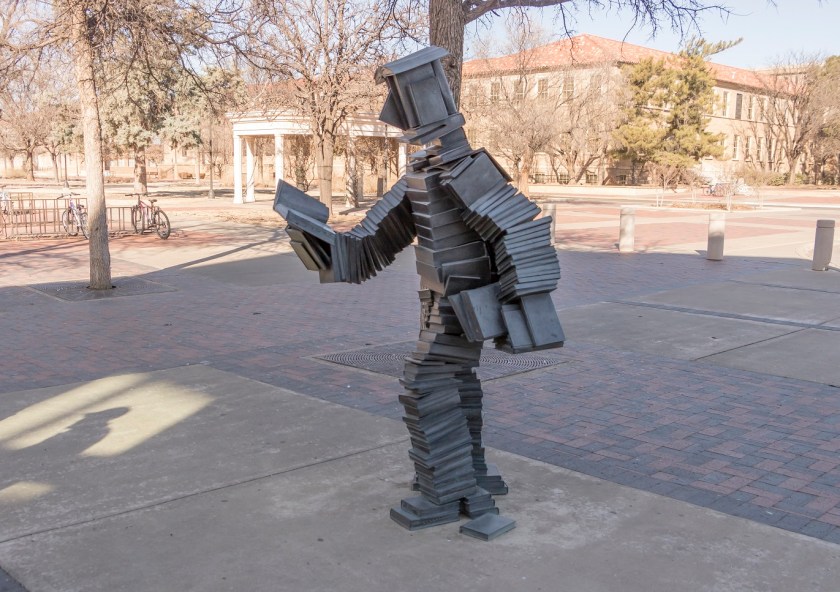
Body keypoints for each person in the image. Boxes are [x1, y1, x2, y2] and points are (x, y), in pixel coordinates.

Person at [273, 46, 564, 539]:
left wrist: (523, 311)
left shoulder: (464, 169)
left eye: (404, 97)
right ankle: (466, 476)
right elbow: (369, 245)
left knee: (425, 381)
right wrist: (317, 241)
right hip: (435, 299)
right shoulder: (420, 175)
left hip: (466, 302)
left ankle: (448, 489)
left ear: (428, 104)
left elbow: (517, 231)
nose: (397, 112)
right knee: (455, 383)